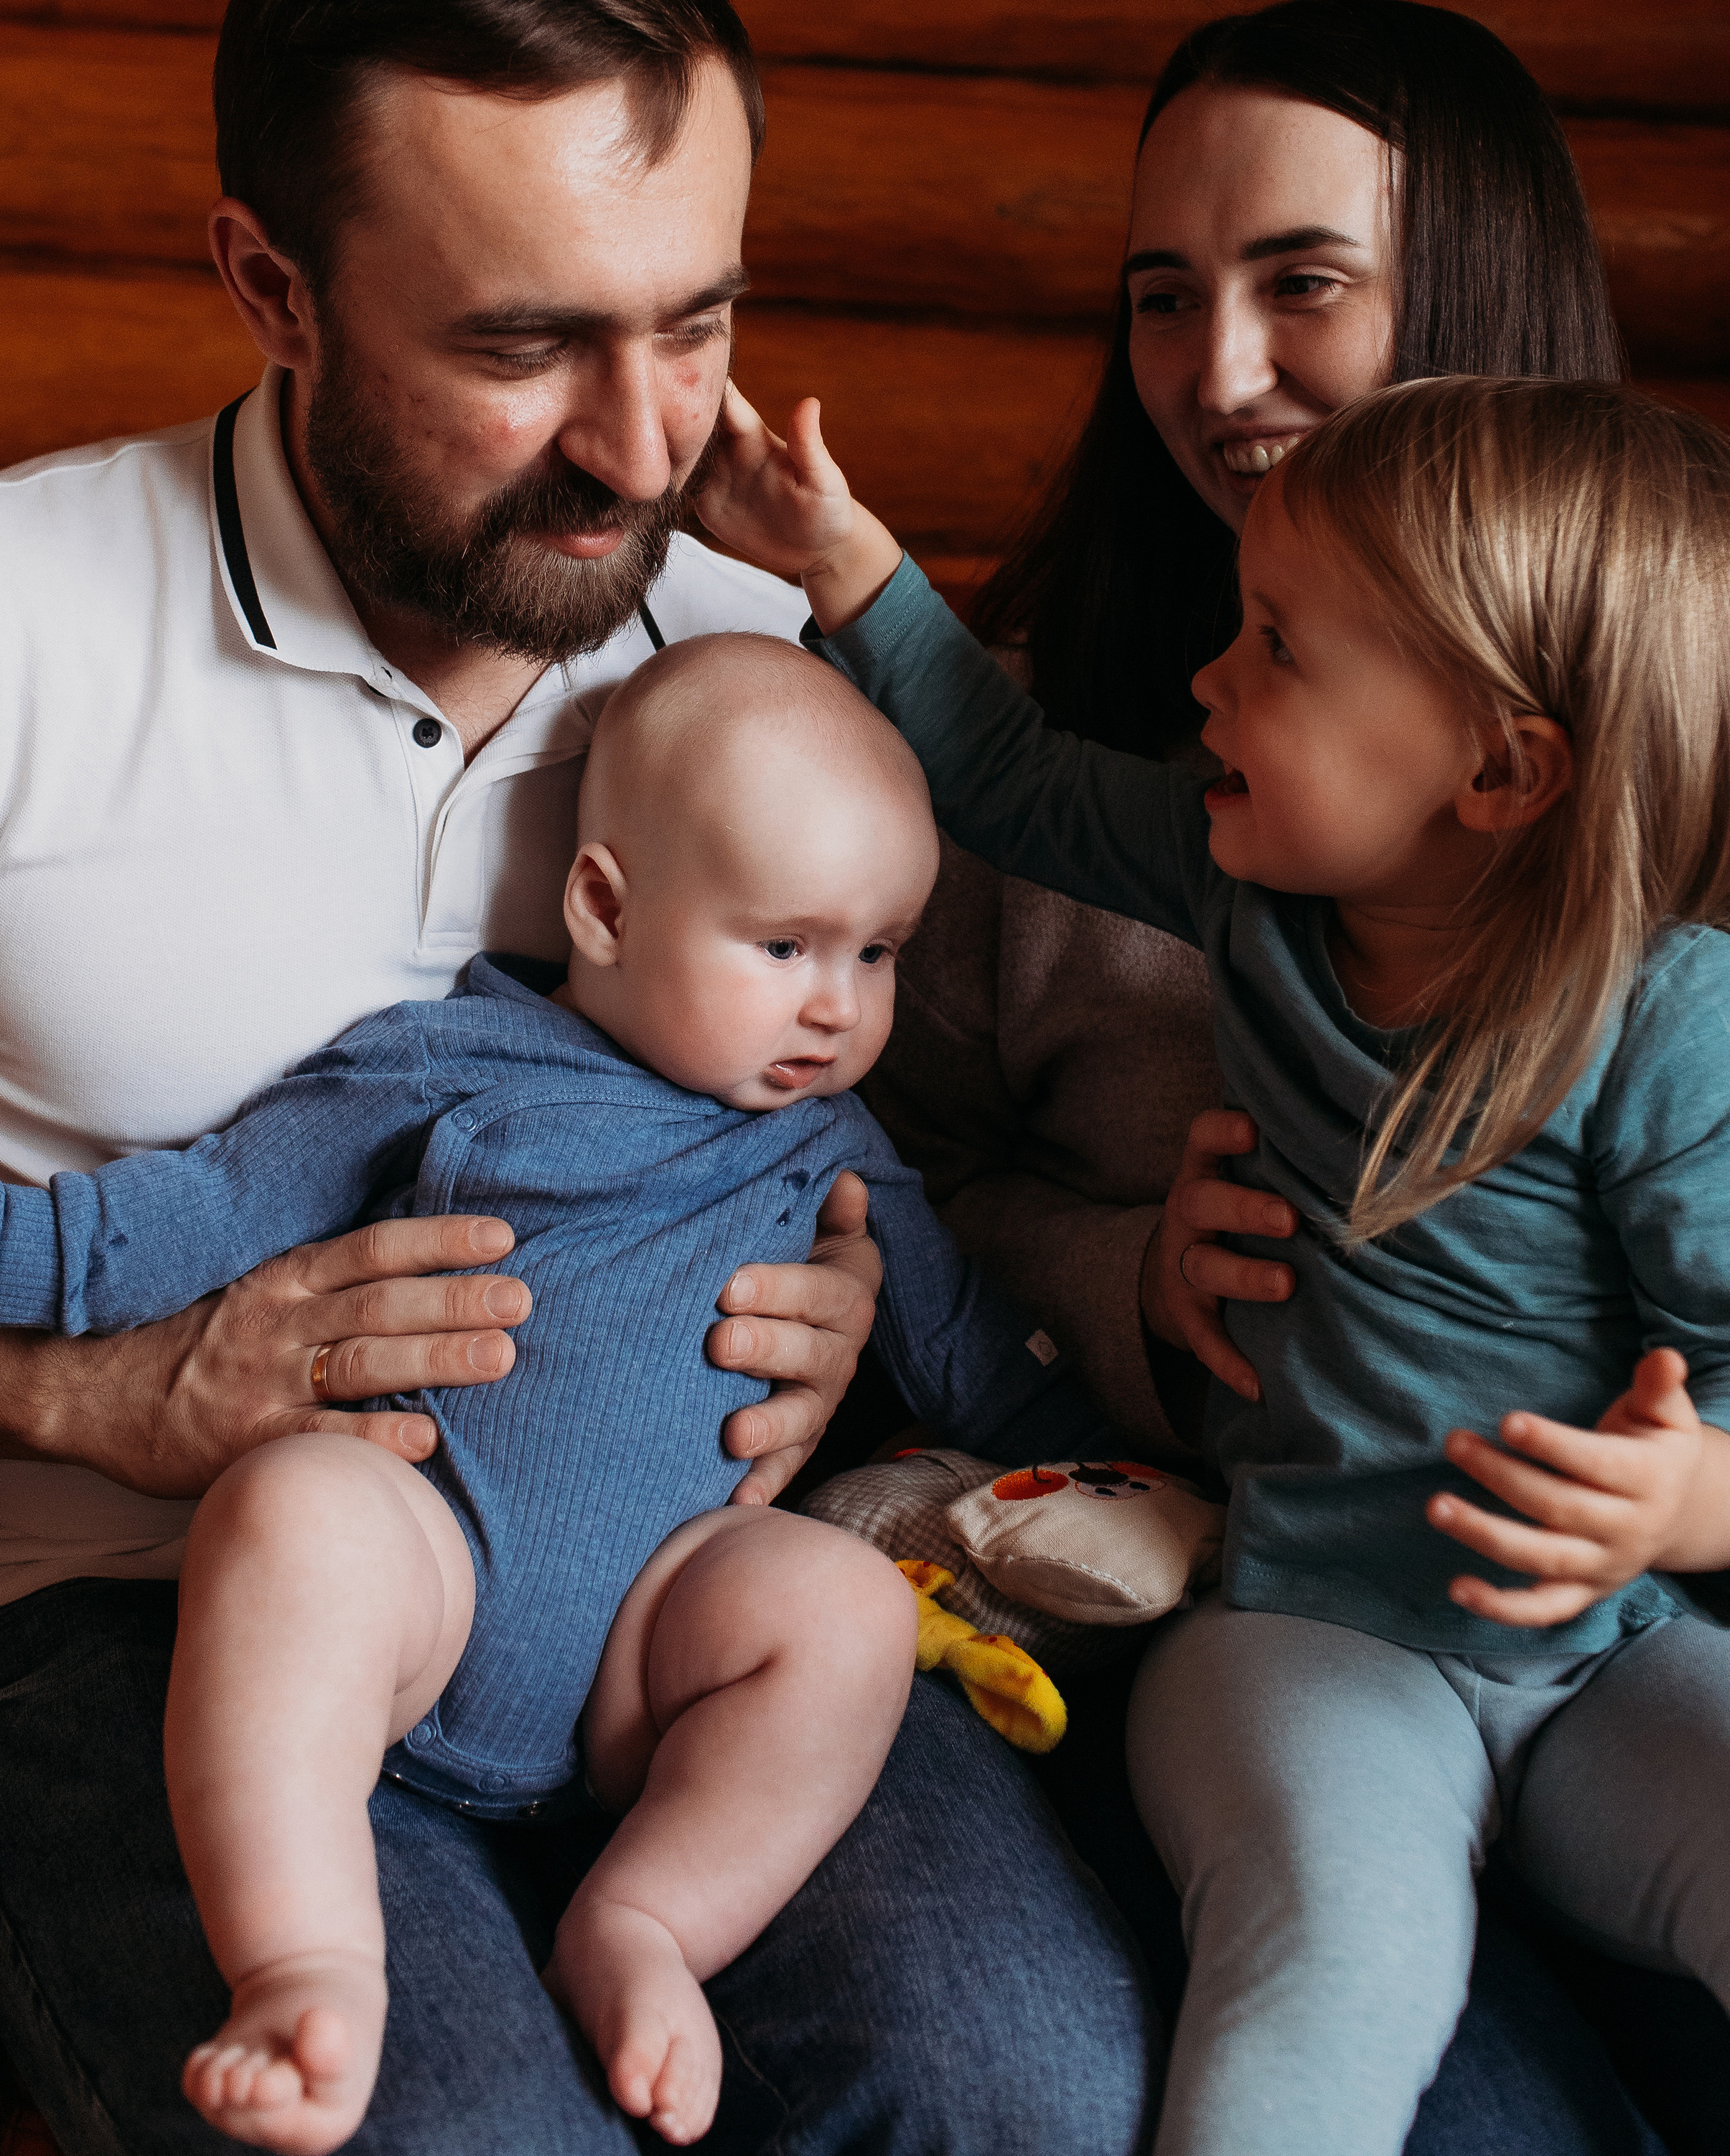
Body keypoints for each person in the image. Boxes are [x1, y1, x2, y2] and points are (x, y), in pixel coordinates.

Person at [0, 0, 1154, 2156]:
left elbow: (886, 1159)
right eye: (522, 342)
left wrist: (850, 1344)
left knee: (1028, 2093)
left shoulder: (759, 664)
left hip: (665, 1618)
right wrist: (94, 1399)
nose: (646, 441)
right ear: (271, 287)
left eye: (695, 320)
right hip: (148, 1622)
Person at [700, 368, 1730, 2156]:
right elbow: (1004, 776)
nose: (1208, 683)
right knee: (1331, 1963)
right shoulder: (1241, 891)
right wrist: (844, 556)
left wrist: (1685, 1500)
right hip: (1315, 1638)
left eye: (1274, 648)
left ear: (1496, 767)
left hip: (1607, 1656)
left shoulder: (1662, 1030)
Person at [0, 635, 1109, 2152]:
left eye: (878, 955)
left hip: (652, 1652)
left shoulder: (834, 1146)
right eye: (785, 948)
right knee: (298, 1509)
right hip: (433, 1587)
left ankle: (650, 1917)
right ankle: (305, 1959)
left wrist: (1132, 1470)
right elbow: (182, 1219)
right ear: (603, 906)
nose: (836, 1010)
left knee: (841, 1607)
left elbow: (971, 1351)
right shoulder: (452, 1066)